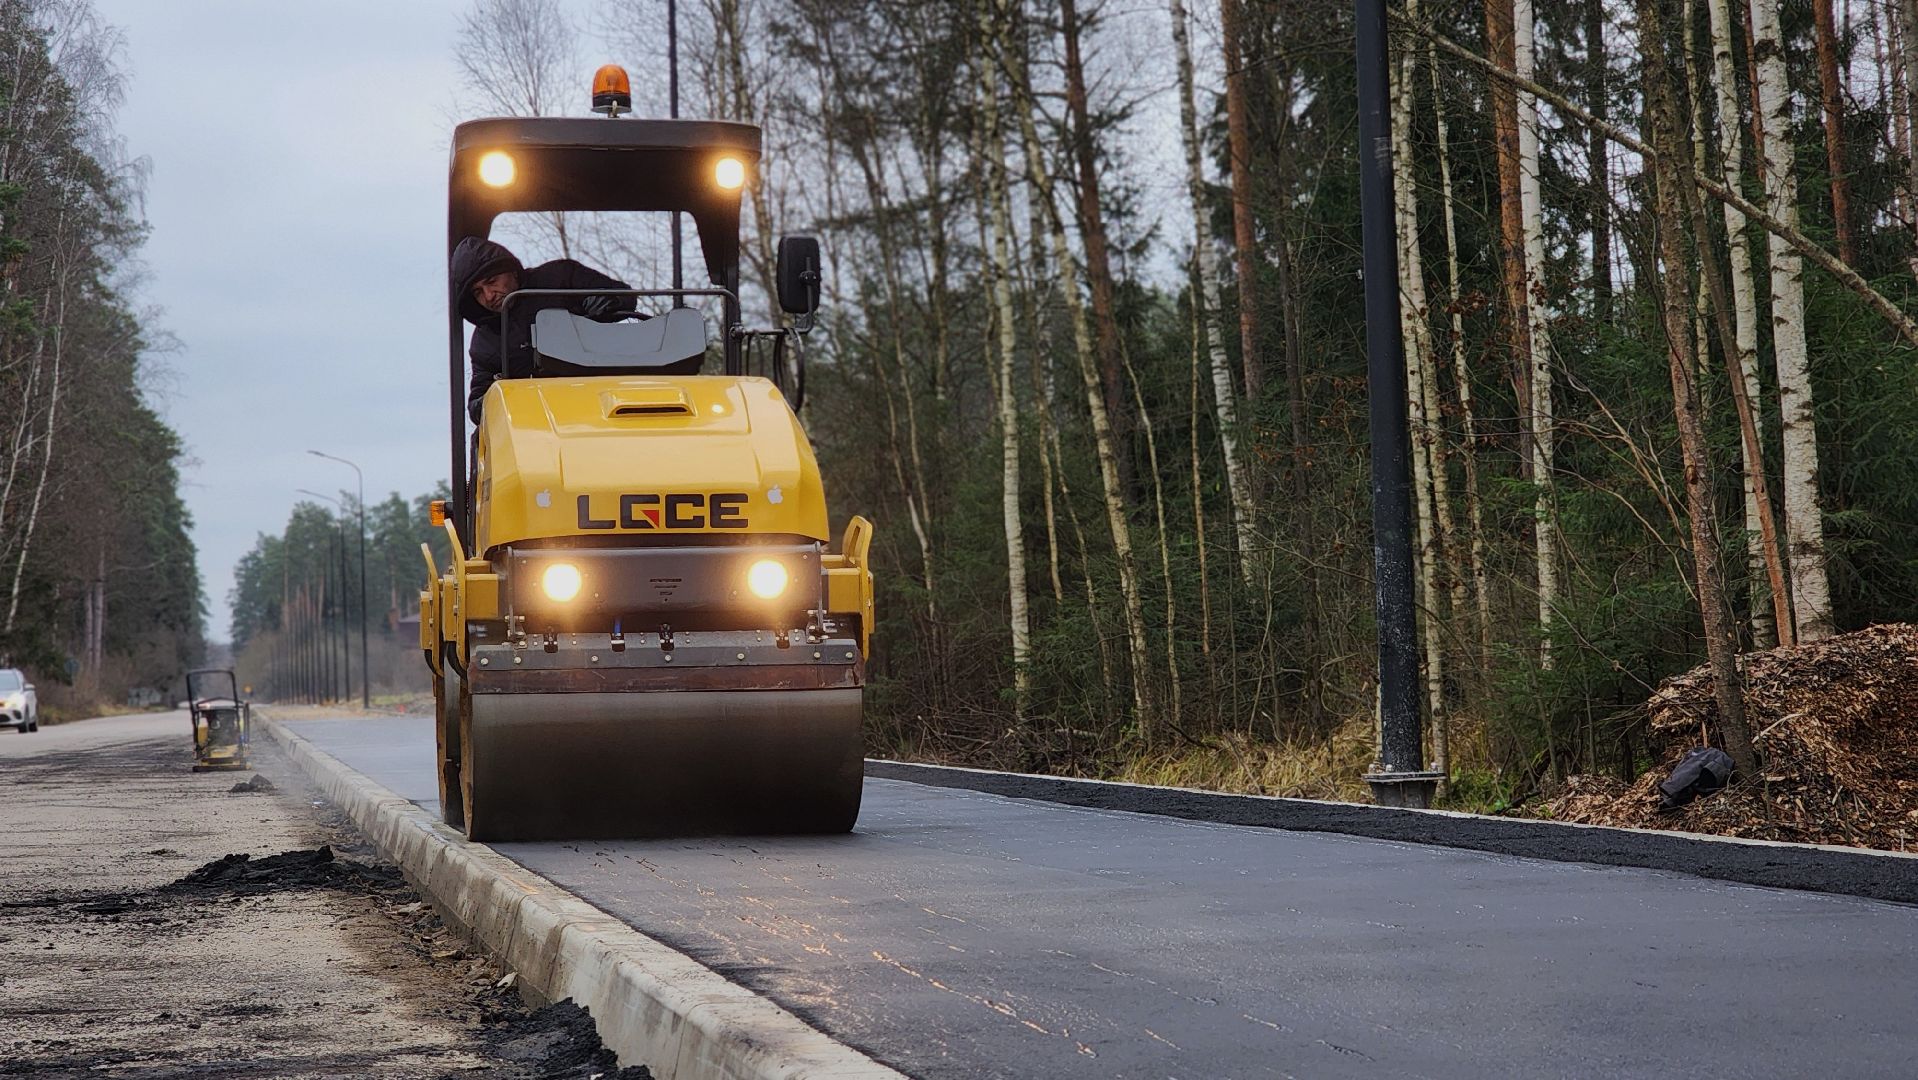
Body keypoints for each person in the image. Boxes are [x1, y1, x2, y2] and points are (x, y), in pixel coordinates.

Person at [452, 236, 641, 421]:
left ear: (511, 271)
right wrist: (493, 397)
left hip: (599, 405)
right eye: (478, 292)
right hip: (532, 425)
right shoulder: (484, 342)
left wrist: (605, 303)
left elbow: (624, 296)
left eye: (492, 281)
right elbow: (478, 404)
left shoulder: (560, 278)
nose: (489, 295)